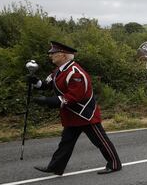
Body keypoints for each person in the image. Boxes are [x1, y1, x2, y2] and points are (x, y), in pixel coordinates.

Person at [28, 41, 122, 175]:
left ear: (64, 56)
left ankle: (115, 164)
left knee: (100, 141)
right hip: (72, 114)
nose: (50, 55)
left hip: (85, 114)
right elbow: (47, 84)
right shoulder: (59, 71)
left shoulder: (75, 72)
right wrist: (35, 82)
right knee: (65, 143)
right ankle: (55, 167)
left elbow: (73, 97)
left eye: (53, 53)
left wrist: (47, 101)